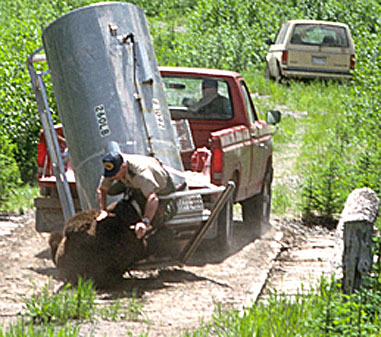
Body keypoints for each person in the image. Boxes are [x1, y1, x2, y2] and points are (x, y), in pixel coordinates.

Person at [96, 151, 177, 240]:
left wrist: (145, 222)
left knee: (157, 217)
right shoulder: (114, 166)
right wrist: (103, 210)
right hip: (132, 182)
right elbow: (102, 189)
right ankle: (131, 191)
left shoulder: (141, 173)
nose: (112, 177)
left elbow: (153, 198)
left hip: (161, 187)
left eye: (114, 174)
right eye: (110, 175)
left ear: (123, 167)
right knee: (110, 189)